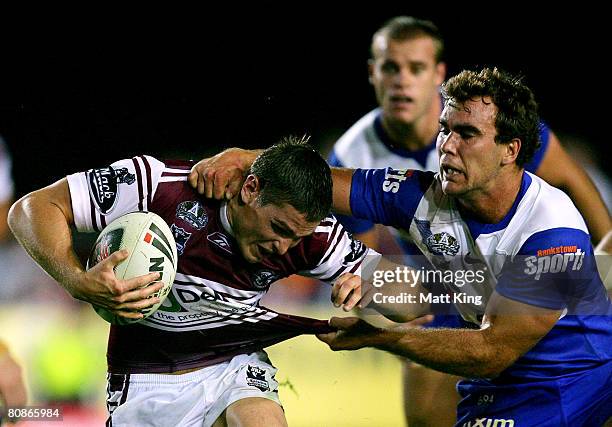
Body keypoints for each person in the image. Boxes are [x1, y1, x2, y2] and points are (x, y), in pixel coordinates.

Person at [188, 68, 612, 425]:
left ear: (510, 150)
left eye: (467, 133)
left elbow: (491, 351)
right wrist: (245, 157)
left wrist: (386, 338)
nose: (445, 145)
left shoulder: (552, 235)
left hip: (565, 377)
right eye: (445, 129)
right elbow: (317, 180)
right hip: (498, 379)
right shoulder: (421, 197)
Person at [326, 15, 612, 426]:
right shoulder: (355, 153)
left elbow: (572, 181)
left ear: (437, 74)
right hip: (443, 289)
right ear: (372, 73)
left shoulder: (503, 128)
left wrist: (605, 262)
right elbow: (371, 262)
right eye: (390, 67)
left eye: (416, 67)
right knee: (427, 414)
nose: (402, 81)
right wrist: (374, 294)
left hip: (531, 299)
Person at [8, 138, 380, 427]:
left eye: (296, 239)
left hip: (231, 365)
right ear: (250, 189)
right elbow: (31, 208)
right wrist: (75, 279)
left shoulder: (310, 234)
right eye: (279, 229)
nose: (282, 247)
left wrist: (373, 286)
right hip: (145, 377)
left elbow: (411, 294)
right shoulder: (155, 187)